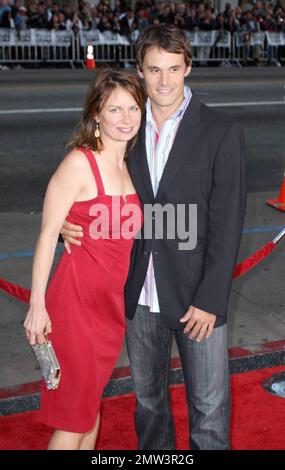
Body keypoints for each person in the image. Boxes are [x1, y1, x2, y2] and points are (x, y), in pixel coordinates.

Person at [61, 24, 247, 450]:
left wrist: (212, 298)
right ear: (140, 71)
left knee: (210, 409)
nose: (164, 81)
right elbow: (86, 182)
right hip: (137, 292)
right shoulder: (124, 127)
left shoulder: (220, 131)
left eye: (174, 69)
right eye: (154, 69)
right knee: (148, 405)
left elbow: (227, 221)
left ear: (189, 68)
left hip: (197, 296)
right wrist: (69, 225)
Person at [23, 69, 145, 450]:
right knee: (75, 420)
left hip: (108, 309)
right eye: (114, 109)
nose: (126, 118)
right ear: (96, 114)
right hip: (75, 306)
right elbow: (46, 235)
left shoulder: (129, 164)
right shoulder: (80, 163)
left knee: (89, 409)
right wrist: (36, 307)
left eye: (133, 108)